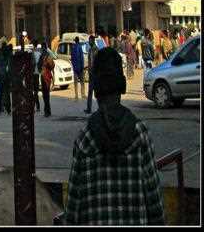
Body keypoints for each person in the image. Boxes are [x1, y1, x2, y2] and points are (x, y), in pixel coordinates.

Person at [64, 47, 165, 225]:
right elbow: (154, 200)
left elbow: (73, 208)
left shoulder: (85, 138)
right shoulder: (139, 134)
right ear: (122, 86)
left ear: (96, 90)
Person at [84, 35, 99, 114]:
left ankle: (100, 108)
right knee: (90, 92)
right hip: (91, 73)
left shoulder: (96, 50)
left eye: (90, 41)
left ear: (93, 41)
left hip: (95, 74)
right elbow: (90, 61)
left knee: (97, 92)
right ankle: (89, 108)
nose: (89, 42)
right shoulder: (90, 50)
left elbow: (97, 62)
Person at [0, 43, 12, 115]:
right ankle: (8, 109)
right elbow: (9, 65)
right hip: (7, 76)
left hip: (1, 75)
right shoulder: (8, 54)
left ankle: (0, 108)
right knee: (7, 93)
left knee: (1, 93)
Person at [31, 40, 42, 112]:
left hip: (33, 74)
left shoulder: (32, 53)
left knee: (33, 91)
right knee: (36, 91)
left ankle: (34, 106)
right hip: (38, 73)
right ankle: (37, 106)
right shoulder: (39, 53)